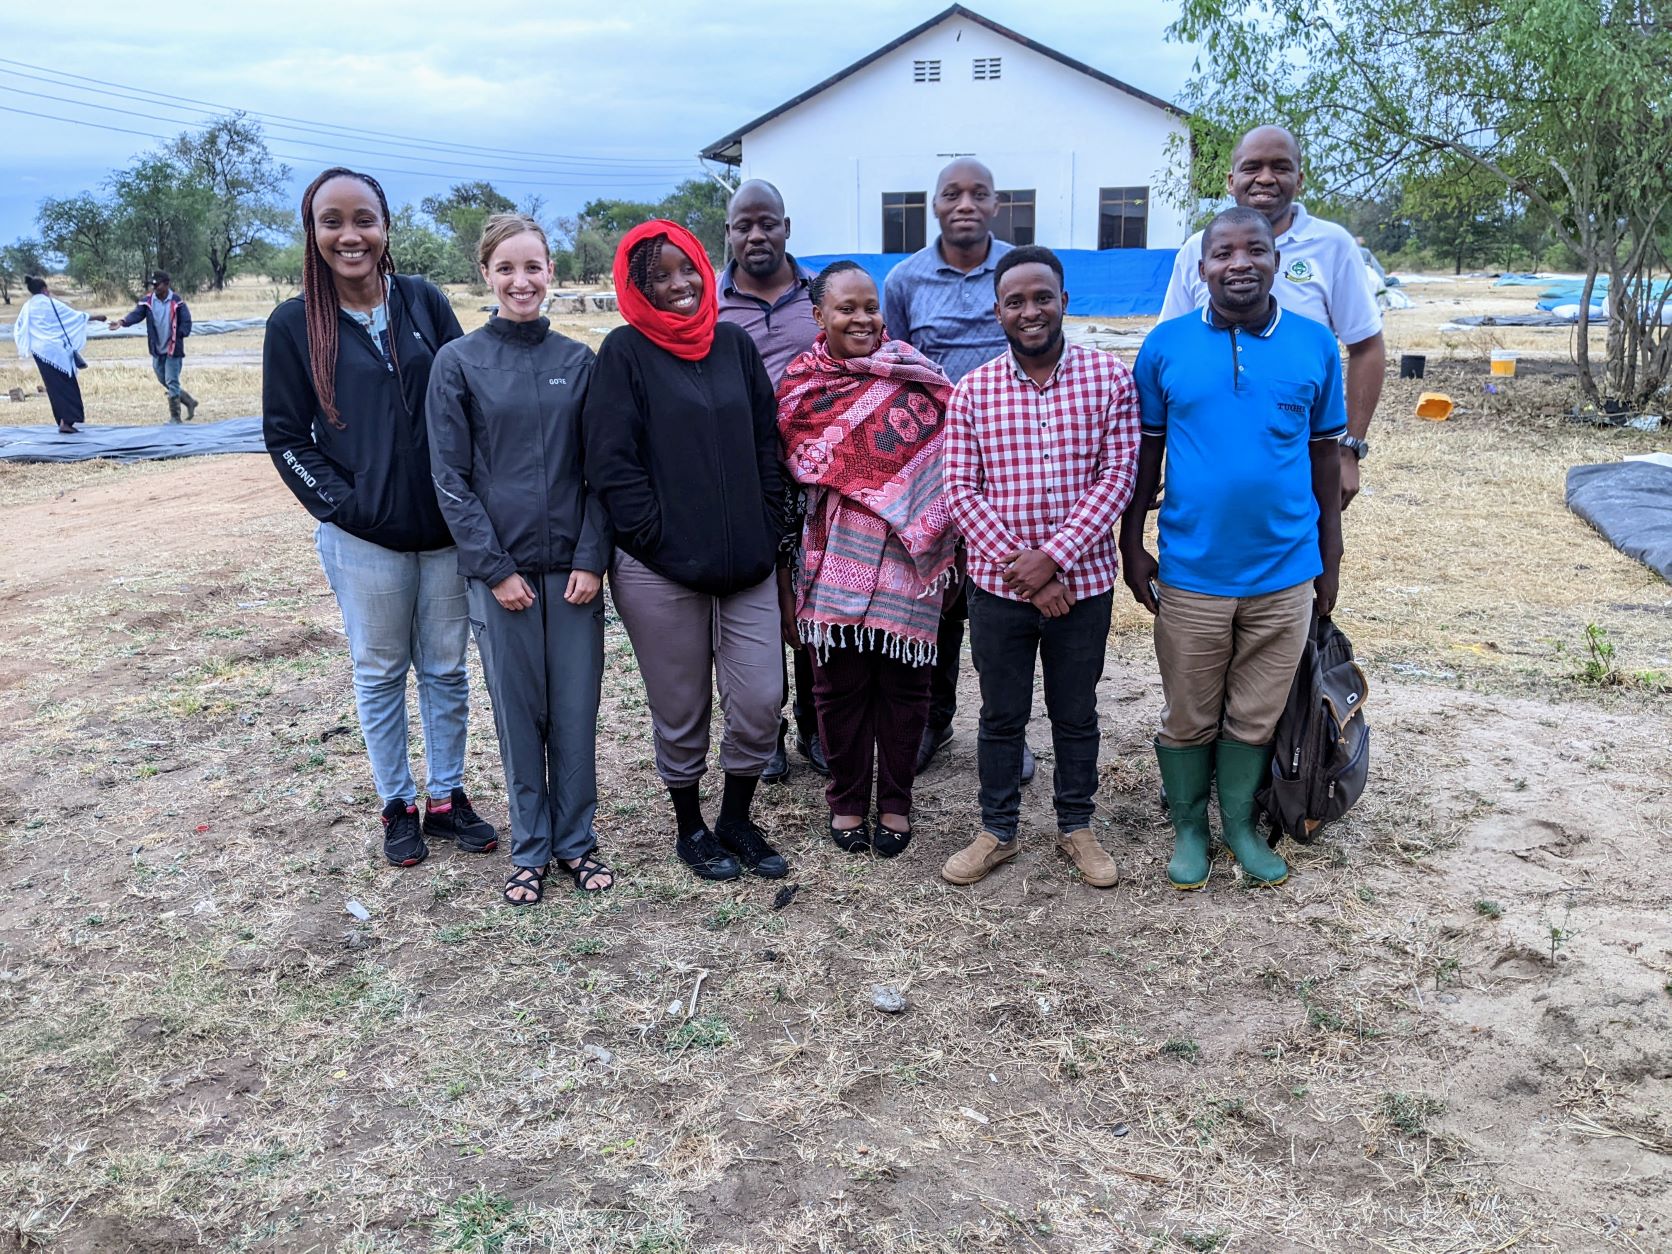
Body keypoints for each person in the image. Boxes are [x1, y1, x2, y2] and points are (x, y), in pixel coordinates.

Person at [263, 166, 497, 869]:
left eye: (362, 218)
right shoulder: (293, 323)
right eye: (331, 221)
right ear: (313, 232)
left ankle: (447, 797)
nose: (349, 234)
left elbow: (468, 403)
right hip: (364, 541)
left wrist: (470, 497)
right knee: (381, 671)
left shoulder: (424, 304)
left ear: (385, 226)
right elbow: (286, 435)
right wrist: (349, 504)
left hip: (446, 532)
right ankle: (397, 803)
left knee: (447, 670)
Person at [1124, 208, 1346, 890]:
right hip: (1193, 571)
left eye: (1256, 249)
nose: (1240, 262)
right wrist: (1132, 545)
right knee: (1189, 710)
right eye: (1224, 252)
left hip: (1284, 573)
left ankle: (1241, 827)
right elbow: (1146, 458)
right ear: (1202, 268)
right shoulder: (1164, 348)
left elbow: (1325, 462)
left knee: (1255, 710)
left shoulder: (1314, 345)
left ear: (1278, 260)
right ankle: (1191, 828)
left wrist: (1330, 562)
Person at [583, 219, 792, 884]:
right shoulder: (623, 354)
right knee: (681, 708)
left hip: (747, 567)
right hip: (660, 573)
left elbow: (768, 443)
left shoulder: (732, 345)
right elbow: (613, 467)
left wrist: (766, 524)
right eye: (657, 277)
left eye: (686, 269)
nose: (677, 285)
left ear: (706, 268)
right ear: (634, 288)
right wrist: (661, 541)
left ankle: (736, 816)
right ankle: (690, 826)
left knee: (761, 698)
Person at [427, 213, 613, 906]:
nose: (521, 280)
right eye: (506, 268)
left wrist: (592, 559)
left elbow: (602, 474)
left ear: (552, 273)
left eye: (533, 267)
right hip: (501, 575)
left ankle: (576, 843)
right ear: (486, 275)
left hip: (572, 575)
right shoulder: (460, 364)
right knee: (517, 712)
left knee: (574, 709)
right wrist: (494, 568)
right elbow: (450, 476)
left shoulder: (579, 363)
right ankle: (530, 846)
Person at [941, 245, 1140, 888]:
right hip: (999, 590)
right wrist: (1022, 571)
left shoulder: (1108, 379)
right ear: (997, 312)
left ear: (1064, 301)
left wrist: (1053, 560)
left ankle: (1076, 825)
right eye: (1015, 301)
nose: (1031, 311)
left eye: (1042, 297)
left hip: (1082, 587)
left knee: (1075, 711)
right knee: (1001, 714)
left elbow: (1118, 478)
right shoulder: (973, 391)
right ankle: (997, 831)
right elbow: (960, 492)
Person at [777, 261, 956, 857]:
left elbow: (946, 463)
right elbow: (795, 470)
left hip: (910, 557)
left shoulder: (917, 376)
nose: (862, 318)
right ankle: (848, 799)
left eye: (870, 307)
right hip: (831, 557)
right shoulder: (802, 384)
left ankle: (898, 803)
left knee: (908, 687)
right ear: (819, 316)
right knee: (837, 687)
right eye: (847, 308)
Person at [882, 157, 1035, 782]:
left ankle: (1007, 730)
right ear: (934, 206)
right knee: (937, 601)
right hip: (933, 471)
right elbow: (886, 371)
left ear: (998, 204)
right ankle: (932, 721)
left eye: (979, 193)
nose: (965, 203)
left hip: (1012, 467)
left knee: (1006, 603)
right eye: (952, 194)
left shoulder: (1020, 270)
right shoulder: (905, 280)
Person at [1159, 126, 1383, 508]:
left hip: (1303, 458)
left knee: (1302, 557)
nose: (1265, 178)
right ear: (1232, 181)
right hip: (1207, 465)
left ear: (1300, 177)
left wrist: (1349, 448)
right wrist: (1158, 459)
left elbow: (1366, 346)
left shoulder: (1332, 246)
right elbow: (1167, 355)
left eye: (1280, 166)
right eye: (1252, 167)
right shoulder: (1197, 249)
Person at [717, 178, 825, 783]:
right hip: (745, 479)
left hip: (824, 479)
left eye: (768, 223)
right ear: (728, 233)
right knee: (757, 607)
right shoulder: (710, 300)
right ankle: (766, 728)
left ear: (787, 227)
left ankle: (817, 723)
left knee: (818, 600)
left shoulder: (822, 294)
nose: (756, 235)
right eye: (742, 225)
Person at [14, 276, 105, 434]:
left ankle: (62, 420)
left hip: (40, 353)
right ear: (44, 289)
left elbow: (19, 327)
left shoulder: (27, 307)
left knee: (54, 387)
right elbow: (73, 316)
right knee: (67, 386)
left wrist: (30, 344)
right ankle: (66, 422)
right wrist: (97, 318)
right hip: (56, 352)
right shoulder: (50, 302)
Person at [110, 270, 198, 422]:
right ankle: (189, 401)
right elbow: (136, 314)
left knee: (171, 381)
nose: (155, 288)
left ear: (167, 284)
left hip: (172, 349)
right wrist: (122, 322)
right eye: (153, 285)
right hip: (157, 349)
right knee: (163, 379)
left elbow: (187, 321)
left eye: (158, 285)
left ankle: (175, 418)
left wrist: (181, 334)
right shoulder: (148, 301)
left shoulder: (177, 302)